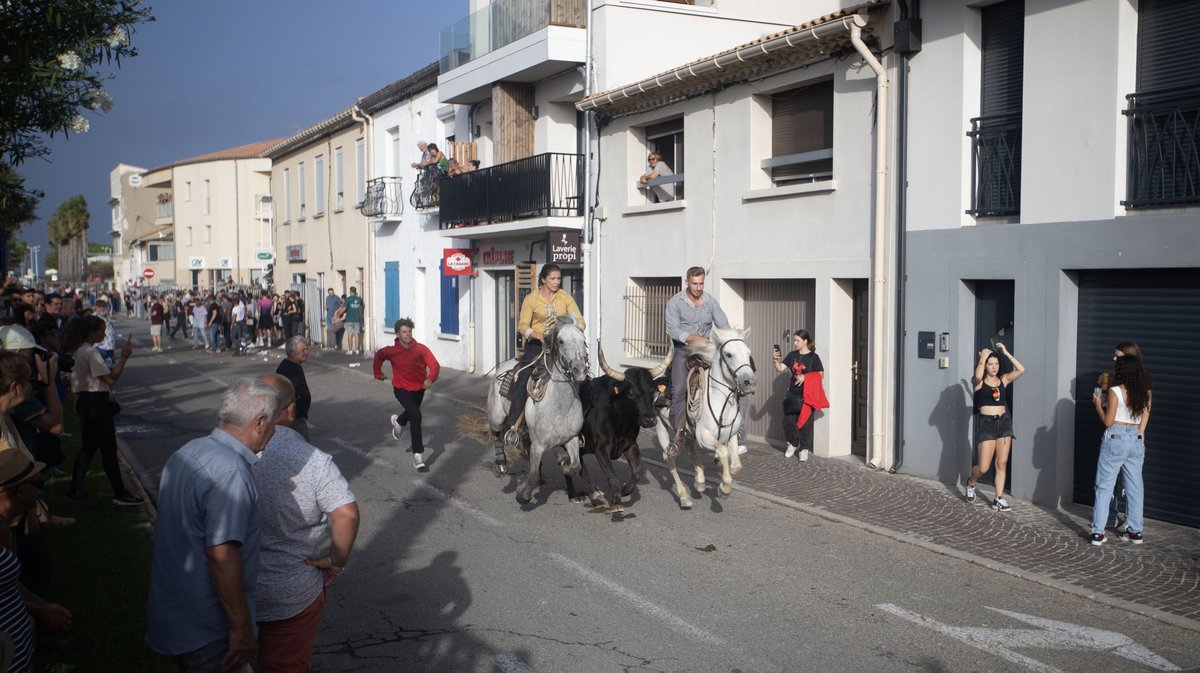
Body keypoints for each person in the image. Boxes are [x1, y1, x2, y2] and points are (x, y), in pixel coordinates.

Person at [145, 378, 283, 673]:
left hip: (175, 612)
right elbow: (222, 553)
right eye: (274, 425)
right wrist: (241, 625)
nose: (274, 433)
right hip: (208, 628)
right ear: (260, 422)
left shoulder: (188, 452)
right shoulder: (230, 472)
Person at [253, 374, 358, 673]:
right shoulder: (313, 459)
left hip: (230, 583)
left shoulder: (227, 449)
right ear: (290, 410)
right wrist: (336, 561)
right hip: (291, 592)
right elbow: (347, 515)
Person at [0, 448, 73, 673]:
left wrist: (42, 607)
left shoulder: (4, 525)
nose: (40, 492)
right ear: (21, 492)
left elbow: (7, 583)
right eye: (38, 484)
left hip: (18, 651)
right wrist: (41, 612)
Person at [60, 315, 143, 506]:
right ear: (91, 333)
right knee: (107, 449)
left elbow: (71, 380)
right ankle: (120, 493)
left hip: (85, 401)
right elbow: (111, 378)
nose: (105, 334)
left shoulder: (77, 350)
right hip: (96, 402)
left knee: (88, 448)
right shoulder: (91, 353)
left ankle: (75, 490)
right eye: (101, 330)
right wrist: (124, 357)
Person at [500, 264, 584, 443]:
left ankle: (581, 426)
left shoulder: (564, 297)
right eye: (553, 279)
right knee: (523, 377)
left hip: (561, 346)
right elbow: (522, 326)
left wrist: (575, 330)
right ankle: (514, 426)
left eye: (559, 279)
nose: (556, 282)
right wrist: (540, 335)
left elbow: (579, 319)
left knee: (582, 375)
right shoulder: (531, 299)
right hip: (537, 345)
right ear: (543, 279)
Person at [663, 266, 729, 457]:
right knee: (679, 390)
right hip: (684, 351)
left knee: (731, 379)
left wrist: (729, 339)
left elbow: (723, 325)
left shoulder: (711, 302)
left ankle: (732, 430)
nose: (699, 287)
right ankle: (678, 435)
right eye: (695, 283)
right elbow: (673, 331)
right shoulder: (675, 303)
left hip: (707, 350)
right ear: (687, 282)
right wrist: (695, 338)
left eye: (701, 283)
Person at [1089, 355, 1152, 546]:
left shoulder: (1117, 391)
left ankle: (1098, 533)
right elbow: (1143, 417)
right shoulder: (1143, 392)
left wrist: (1098, 405)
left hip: (1115, 437)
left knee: (1105, 485)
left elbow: (1108, 421)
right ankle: (1135, 531)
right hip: (1135, 438)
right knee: (1134, 487)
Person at [963, 342, 1025, 511]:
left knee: (1002, 463)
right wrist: (982, 358)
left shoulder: (1003, 379)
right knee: (983, 467)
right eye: (991, 364)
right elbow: (976, 376)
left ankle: (998, 498)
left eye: (996, 364)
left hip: (1004, 423)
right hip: (987, 425)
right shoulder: (978, 382)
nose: (994, 367)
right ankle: (971, 482)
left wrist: (1005, 353)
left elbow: (1021, 370)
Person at [374, 318, 440, 470]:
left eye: (410, 331)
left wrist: (430, 378)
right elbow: (379, 356)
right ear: (398, 333)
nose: (408, 334)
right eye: (404, 331)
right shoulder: (391, 351)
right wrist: (378, 373)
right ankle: (418, 456)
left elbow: (434, 365)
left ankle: (398, 422)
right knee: (416, 415)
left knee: (412, 413)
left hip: (419, 389)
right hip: (401, 388)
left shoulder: (421, 349)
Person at [773, 329, 827, 461]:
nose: (795, 343)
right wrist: (775, 360)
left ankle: (804, 449)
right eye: (794, 340)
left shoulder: (814, 357)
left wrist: (805, 377)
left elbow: (821, 374)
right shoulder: (792, 355)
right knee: (788, 422)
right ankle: (793, 443)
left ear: (805, 341)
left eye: (797, 340)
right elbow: (780, 368)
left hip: (808, 395)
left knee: (805, 425)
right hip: (793, 394)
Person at [275, 337, 312, 441]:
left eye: (307, 349)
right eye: (303, 350)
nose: (306, 352)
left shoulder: (294, 365)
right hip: (293, 417)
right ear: (292, 352)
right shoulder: (289, 369)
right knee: (303, 446)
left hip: (297, 415)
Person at [343, 287, 364, 356]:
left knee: (350, 334)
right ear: (355, 291)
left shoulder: (348, 299)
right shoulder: (359, 299)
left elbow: (344, 308)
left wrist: (337, 315)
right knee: (356, 334)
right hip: (357, 319)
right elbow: (362, 306)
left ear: (350, 291)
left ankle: (350, 350)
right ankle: (357, 350)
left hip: (349, 319)